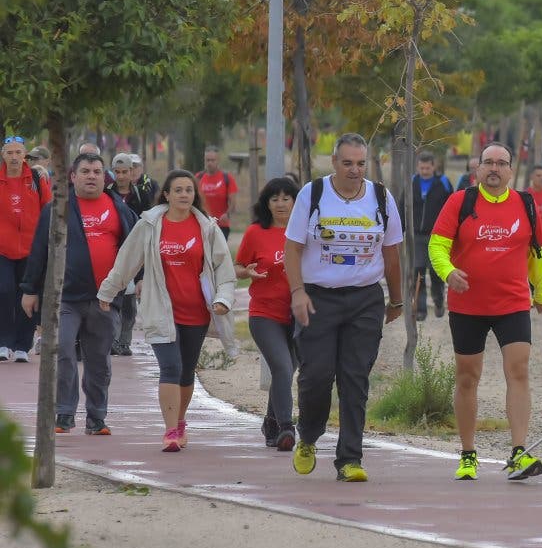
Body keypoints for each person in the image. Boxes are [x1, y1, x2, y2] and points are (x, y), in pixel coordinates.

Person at [429, 142, 542, 481]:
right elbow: (437, 244)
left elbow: (536, 252)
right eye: (488, 163)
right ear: (478, 169)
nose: (494, 169)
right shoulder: (461, 202)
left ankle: (518, 452)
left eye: (501, 163)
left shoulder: (525, 204)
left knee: (519, 370)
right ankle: (468, 454)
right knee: (468, 376)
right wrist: (447, 272)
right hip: (468, 305)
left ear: (511, 170)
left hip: (512, 302)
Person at [285, 134, 404, 482]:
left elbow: (392, 252)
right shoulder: (313, 194)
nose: (355, 170)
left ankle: (350, 458)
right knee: (316, 376)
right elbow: (292, 248)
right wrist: (297, 292)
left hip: (365, 298)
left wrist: (396, 299)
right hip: (318, 298)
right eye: (348, 162)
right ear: (334, 162)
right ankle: (308, 435)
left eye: (361, 163)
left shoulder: (381, 197)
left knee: (355, 379)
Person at [97, 170, 236, 452]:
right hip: (162, 311)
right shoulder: (149, 224)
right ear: (167, 195)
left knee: (186, 373)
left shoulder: (207, 228)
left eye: (189, 190)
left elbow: (224, 269)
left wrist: (223, 299)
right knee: (170, 367)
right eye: (178, 190)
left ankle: (181, 420)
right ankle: (171, 430)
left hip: (196, 312)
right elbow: (127, 260)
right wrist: (109, 291)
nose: (184, 195)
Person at [21, 153, 137, 434]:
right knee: (61, 350)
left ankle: (97, 418)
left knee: (98, 360)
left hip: (105, 299)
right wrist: (29, 290)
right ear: (73, 176)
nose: (91, 176)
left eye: (97, 171)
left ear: (104, 176)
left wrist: (140, 280)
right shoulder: (56, 209)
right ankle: (64, 413)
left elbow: (135, 247)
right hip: (64, 298)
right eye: (85, 171)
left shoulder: (118, 207)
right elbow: (39, 251)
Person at [236, 177, 300, 451]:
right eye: (275, 199)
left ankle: (270, 422)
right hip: (265, 314)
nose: (281, 204)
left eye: (287, 198)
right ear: (267, 203)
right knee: (283, 367)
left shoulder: (305, 232)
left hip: (299, 313)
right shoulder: (255, 232)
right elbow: (238, 266)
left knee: (286, 371)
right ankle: (286, 427)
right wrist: (246, 271)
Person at [1, 135, 52, 362]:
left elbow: (48, 209)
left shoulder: (36, 178)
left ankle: (23, 345)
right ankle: (3, 342)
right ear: (3, 155)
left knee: (28, 296)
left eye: (18, 153)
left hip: (32, 250)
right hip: (2, 249)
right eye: (9, 153)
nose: (14, 157)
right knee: (4, 291)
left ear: (25, 155)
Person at [110, 153, 155, 356]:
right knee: (111, 301)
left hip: (135, 254)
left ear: (132, 173)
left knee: (129, 303)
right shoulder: (106, 194)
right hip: (111, 253)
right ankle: (111, 339)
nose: (121, 176)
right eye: (117, 172)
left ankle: (124, 341)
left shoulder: (141, 196)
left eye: (125, 172)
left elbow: (149, 224)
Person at [408, 150, 455, 321]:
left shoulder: (443, 183)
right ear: (417, 167)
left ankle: (438, 300)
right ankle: (420, 308)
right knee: (418, 270)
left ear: (433, 167)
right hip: (417, 236)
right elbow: (402, 204)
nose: (425, 171)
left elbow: (452, 208)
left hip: (437, 235)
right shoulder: (412, 182)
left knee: (436, 272)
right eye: (422, 168)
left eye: (427, 168)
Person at [197, 145, 238, 239]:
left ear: (218, 161)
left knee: (218, 253)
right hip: (203, 224)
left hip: (221, 225)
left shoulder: (227, 178)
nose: (210, 163)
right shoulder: (198, 178)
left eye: (212, 160)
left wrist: (227, 214)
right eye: (207, 160)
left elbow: (233, 202)